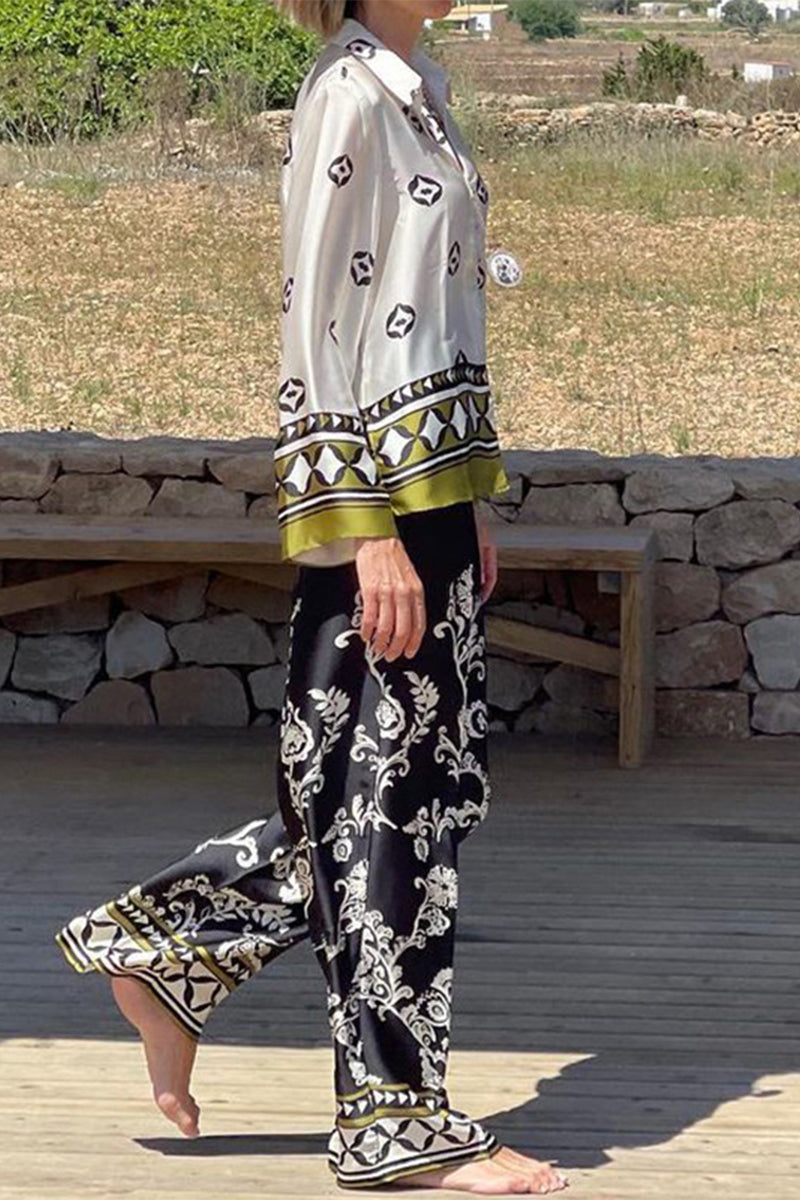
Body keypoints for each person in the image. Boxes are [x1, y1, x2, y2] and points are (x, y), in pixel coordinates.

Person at [56, 1, 569, 1193]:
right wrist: (364, 529)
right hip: (373, 512)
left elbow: (426, 312)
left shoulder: (417, 88)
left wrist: (462, 496)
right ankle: (393, 1122)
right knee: (390, 808)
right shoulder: (346, 95)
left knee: (391, 792)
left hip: (424, 497)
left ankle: (167, 947)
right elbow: (316, 327)